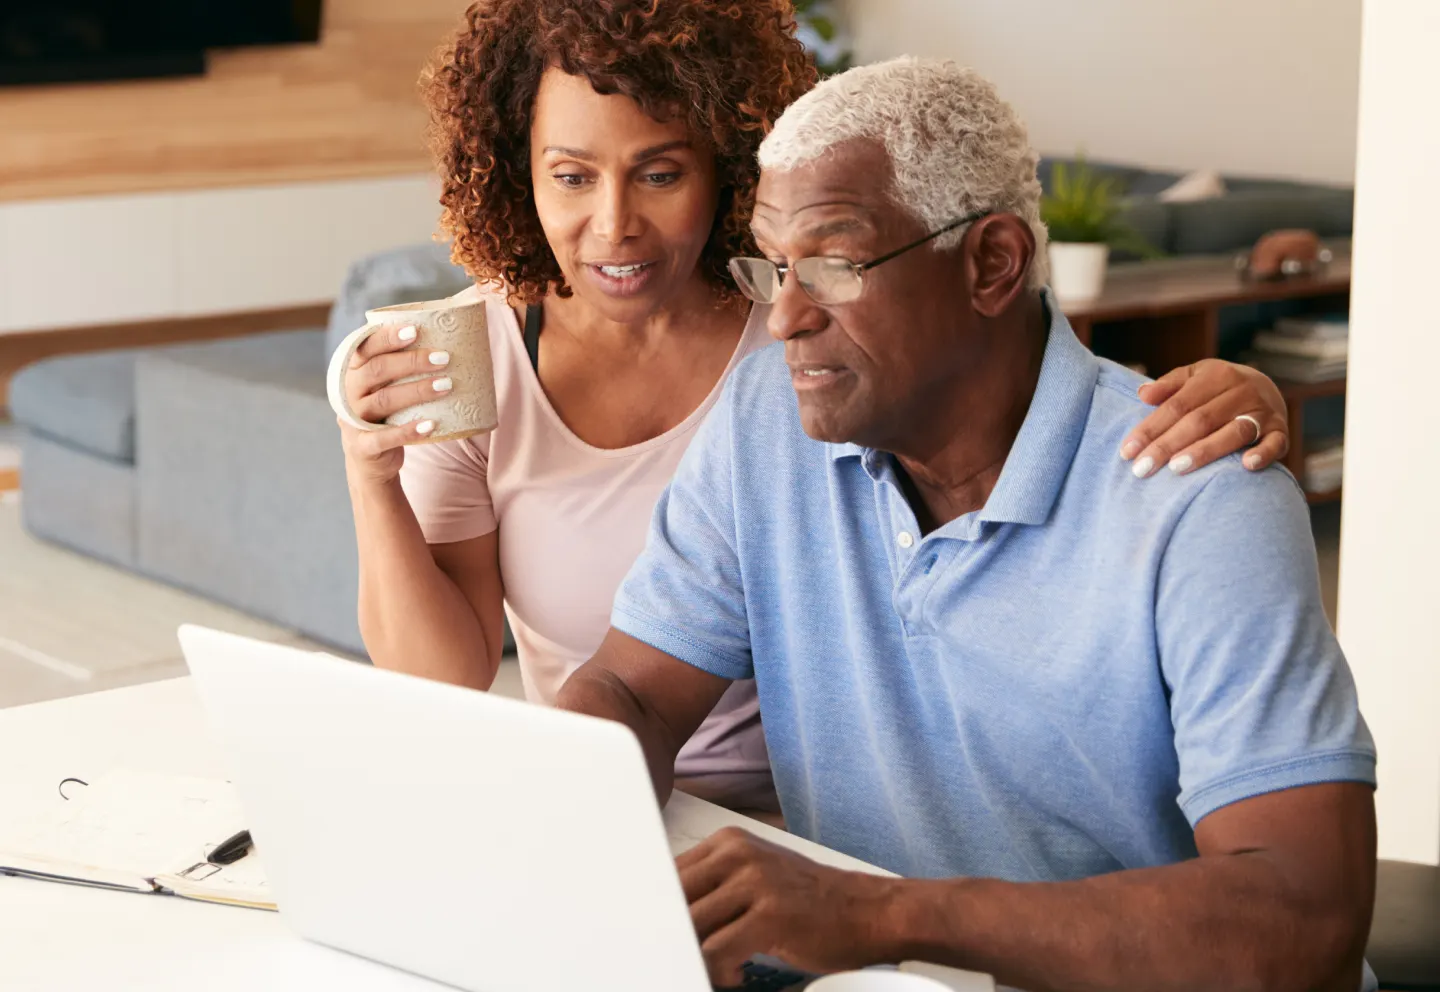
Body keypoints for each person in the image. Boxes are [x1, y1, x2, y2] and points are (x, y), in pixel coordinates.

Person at [338, 0, 1292, 814]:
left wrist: (1237, 388)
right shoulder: (487, 357)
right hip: (626, 790)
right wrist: (370, 476)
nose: (615, 223)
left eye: (661, 172)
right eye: (571, 175)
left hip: (849, 810)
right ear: (521, 171)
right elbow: (463, 678)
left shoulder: (809, 322)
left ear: (732, 169)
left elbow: (1031, 393)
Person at [555, 57, 1377, 992]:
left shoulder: (1196, 491)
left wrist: (882, 916)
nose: (783, 316)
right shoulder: (762, 426)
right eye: (772, 267)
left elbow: (1307, 922)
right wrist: (551, 801)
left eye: (830, 264)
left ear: (991, 263)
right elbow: (633, 690)